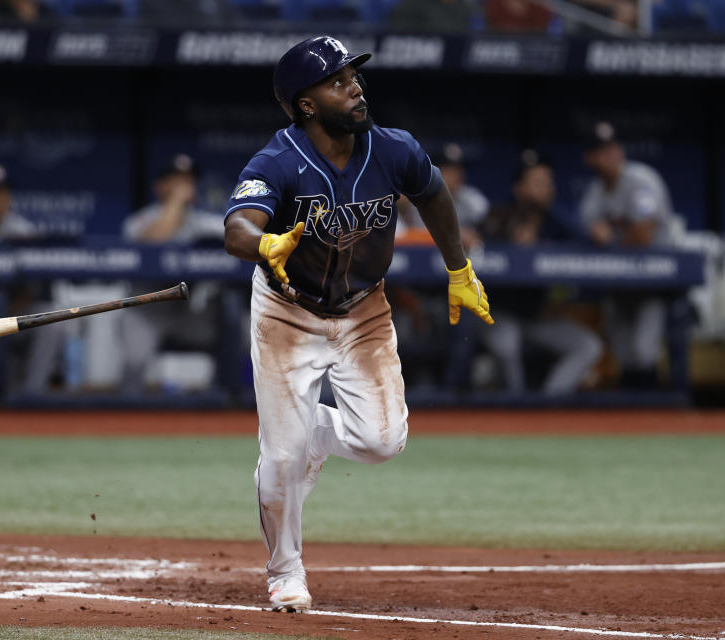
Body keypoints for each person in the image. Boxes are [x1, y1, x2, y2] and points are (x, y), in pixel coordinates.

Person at [223, 36, 493, 612]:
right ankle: (285, 572)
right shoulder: (278, 160)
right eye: (338, 81)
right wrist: (264, 241)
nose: (355, 87)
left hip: (364, 310)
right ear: (306, 104)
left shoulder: (393, 149)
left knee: (382, 442)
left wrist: (459, 267)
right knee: (279, 460)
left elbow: (434, 195)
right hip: (288, 314)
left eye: (354, 76)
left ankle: (317, 434)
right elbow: (237, 227)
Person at [477, 150, 602, 394]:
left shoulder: (558, 223)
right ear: (519, 189)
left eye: (547, 182)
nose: (545, 189)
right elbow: (475, 258)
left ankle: (548, 404)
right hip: (498, 314)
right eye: (537, 183)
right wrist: (510, 247)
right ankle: (516, 408)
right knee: (507, 342)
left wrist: (560, 296)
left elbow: (585, 252)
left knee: (589, 345)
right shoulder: (497, 218)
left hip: (538, 317)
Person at [120, 154, 225, 391]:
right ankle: (125, 420)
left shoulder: (207, 222)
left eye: (188, 181)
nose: (185, 187)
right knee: (135, 360)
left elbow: (241, 241)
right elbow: (156, 241)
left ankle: (227, 408)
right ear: (159, 186)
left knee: (239, 331)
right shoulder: (139, 221)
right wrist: (175, 203)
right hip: (146, 311)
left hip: (188, 312)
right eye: (176, 181)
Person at [579, 121, 674, 386]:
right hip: (619, 285)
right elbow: (589, 231)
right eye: (601, 151)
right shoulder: (594, 193)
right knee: (623, 354)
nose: (609, 155)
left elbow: (644, 235)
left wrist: (610, 238)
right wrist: (599, 236)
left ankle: (656, 410)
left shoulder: (641, 180)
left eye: (612, 148)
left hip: (655, 280)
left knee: (644, 352)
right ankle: (631, 420)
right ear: (589, 158)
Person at [0, 163, 63, 394]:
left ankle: (32, 397)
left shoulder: (22, 230)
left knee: (51, 320)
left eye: (4, 192)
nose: (1, 198)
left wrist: (4, 315)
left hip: (10, 312)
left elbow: (33, 289)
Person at [397, 142, 487, 250]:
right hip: (422, 255)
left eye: (458, 169)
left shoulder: (473, 199)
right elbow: (404, 236)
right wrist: (454, 236)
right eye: (449, 170)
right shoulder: (416, 196)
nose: (456, 175)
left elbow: (486, 234)